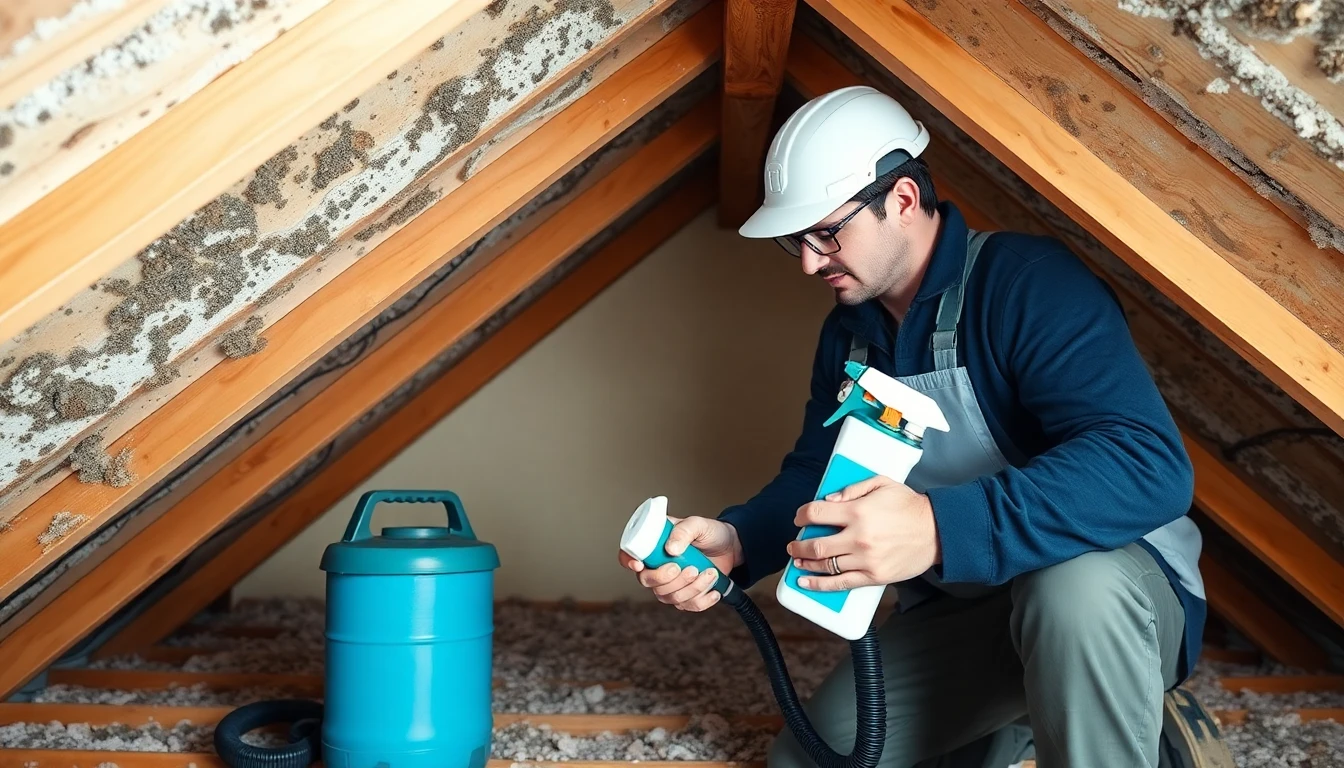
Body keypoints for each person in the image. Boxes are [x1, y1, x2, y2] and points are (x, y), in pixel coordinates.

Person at [617, 86, 1236, 767]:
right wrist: (740, 539)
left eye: (827, 233)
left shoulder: (1030, 286)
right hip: (976, 611)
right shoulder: (849, 336)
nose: (809, 261)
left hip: (1111, 595)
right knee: (812, 758)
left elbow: (1146, 464)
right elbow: (819, 475)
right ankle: (1034, 708)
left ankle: (1138, 715)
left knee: (1069, 594)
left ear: (904, 201)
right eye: (797, 240)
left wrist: (938, 526)